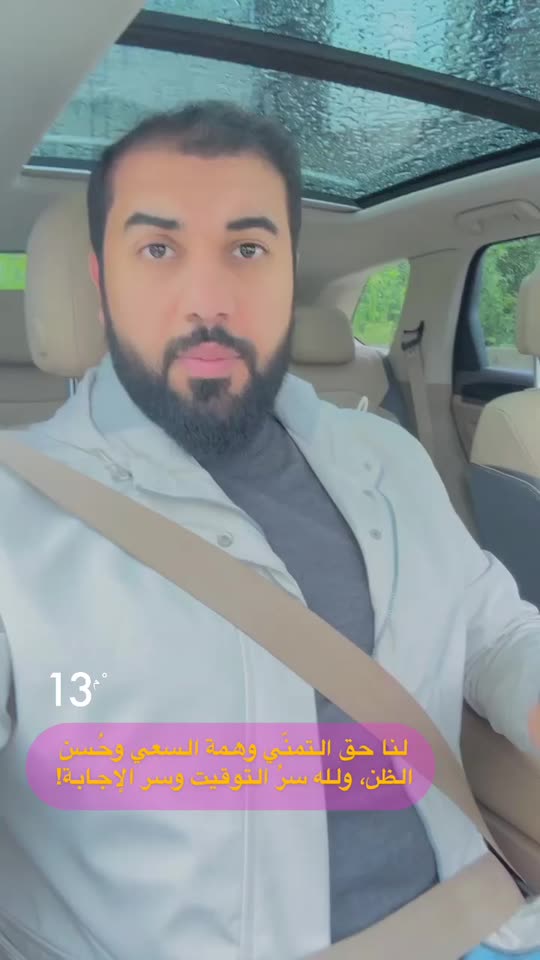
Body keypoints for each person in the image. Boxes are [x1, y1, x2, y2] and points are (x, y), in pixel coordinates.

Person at [0, 99, 539, 960]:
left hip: (480, 923)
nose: (208, 300)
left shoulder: (387, 456)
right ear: (101, 286)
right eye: (158, 250)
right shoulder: (15, 511)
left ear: (289, 274)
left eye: (247, 249)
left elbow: (495, 631)